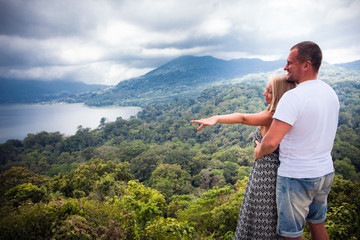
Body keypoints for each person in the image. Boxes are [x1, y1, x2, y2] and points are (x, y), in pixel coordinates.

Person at [191, 74, 296, 239]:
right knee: (268, 216)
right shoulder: (285, 116)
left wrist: (217, 118)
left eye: (269, 91)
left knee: (261, 215)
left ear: (278, 94)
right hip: (274, 172)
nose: (264, 93)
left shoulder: (271, 117)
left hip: (266, 174)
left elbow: (243, 118)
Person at [254, 41, 340, 240]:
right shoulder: (330, 93)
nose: (285, 68)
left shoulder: (294, 97)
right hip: (325, 172)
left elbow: (271, 141)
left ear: (306, 65)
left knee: (291, 235)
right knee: (318, 224)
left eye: (290, 63)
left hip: (297, 176)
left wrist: (259, 152)